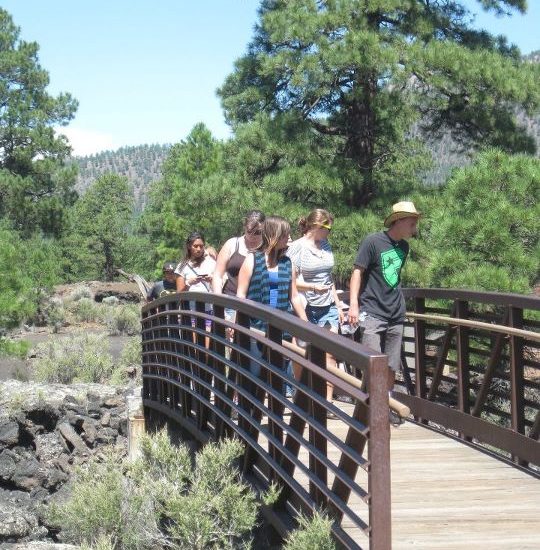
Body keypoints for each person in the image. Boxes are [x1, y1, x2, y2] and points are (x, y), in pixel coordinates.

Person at [348, 201, 420, 396]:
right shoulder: (372, 242)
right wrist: (354, 305)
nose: (415, 228)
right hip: (372, 311)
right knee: (372, 362)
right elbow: (357, 272)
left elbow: (393, 278)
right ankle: (370, 408)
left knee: (391, 364)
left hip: (396, 313)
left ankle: (386, 405)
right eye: (412, 223)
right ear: (399, 221)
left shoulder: (404, 247)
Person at [236, 216, 308, 381]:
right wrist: (237, 322)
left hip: (280, 328)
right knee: (254, 376)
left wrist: (305, 322)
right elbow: (240, 295)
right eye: (285, 235)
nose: (288, 239)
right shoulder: (252, 259)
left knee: (277, 379)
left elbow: (294, 296)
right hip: (255, 328)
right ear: (273, 235)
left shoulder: (287, 263)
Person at [287, 209, 345, 407]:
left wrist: (337, 304)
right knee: (301, 351)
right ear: (317, 226)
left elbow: (329, 278)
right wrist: (312, 287)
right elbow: (291, 283)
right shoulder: (297, 247)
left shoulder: (326, 245)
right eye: (328, 227)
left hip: (327, 305)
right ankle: (301, 393)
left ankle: (326, 402)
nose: (330, 232)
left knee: (329, 352)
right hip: (305, 305)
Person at [212, 210, 265, 302]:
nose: (253, 236)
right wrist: (218, 298)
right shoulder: (232, 244)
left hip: (258, 305)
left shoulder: (267, 248)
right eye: (249, 231)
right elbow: (217, 275)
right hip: (230, 301)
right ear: (244, 227)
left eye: (258, 232)